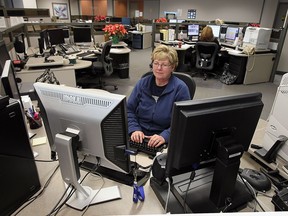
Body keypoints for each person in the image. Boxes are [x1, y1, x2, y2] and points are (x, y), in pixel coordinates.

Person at [127, 45, 191, 147]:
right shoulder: (143, 83)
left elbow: (183, 121)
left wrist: (165, 136)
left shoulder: (180, 89)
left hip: (163, 139)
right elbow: (129, 109)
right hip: (139, 136)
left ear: (172, 67)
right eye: (156, 63)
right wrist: (134, 129)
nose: (159, 68)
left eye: (164, 65)